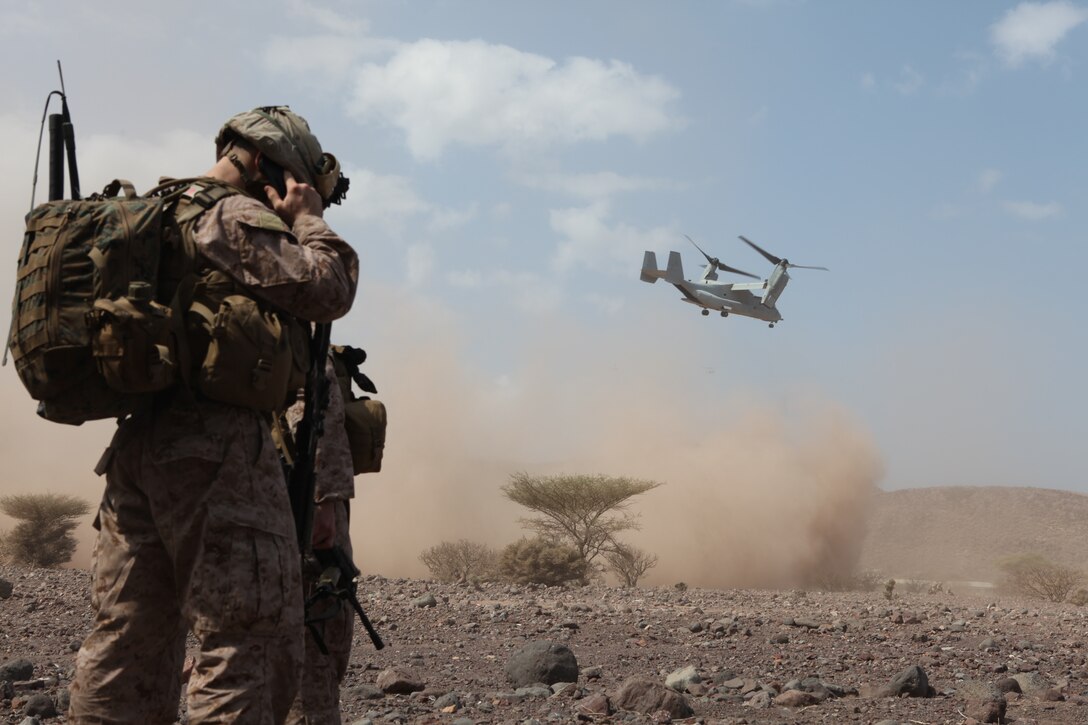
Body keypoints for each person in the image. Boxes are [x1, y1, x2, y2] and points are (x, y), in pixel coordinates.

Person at [68, 106, 358, 724]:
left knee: (127, 641)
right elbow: (327, 288)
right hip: (219, 452)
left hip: (138, 446)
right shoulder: (231, 214)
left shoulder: (152, 209)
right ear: (264, 164)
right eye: (291, 178)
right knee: (248, 641)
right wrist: (308, 219)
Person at [284, 356, 357, 725]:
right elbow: (314, 410)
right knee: (314, 647)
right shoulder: (291, 330)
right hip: (292, 512)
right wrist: (324, 499)